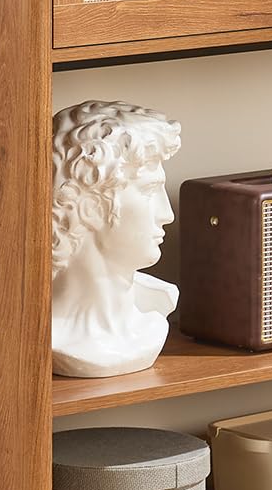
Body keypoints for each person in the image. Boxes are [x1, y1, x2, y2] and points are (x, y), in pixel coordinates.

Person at [50, 100, 182, 378]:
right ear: (90, 208)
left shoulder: (158, 307)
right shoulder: (46, 335)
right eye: (149, 191)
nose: (167, 214)